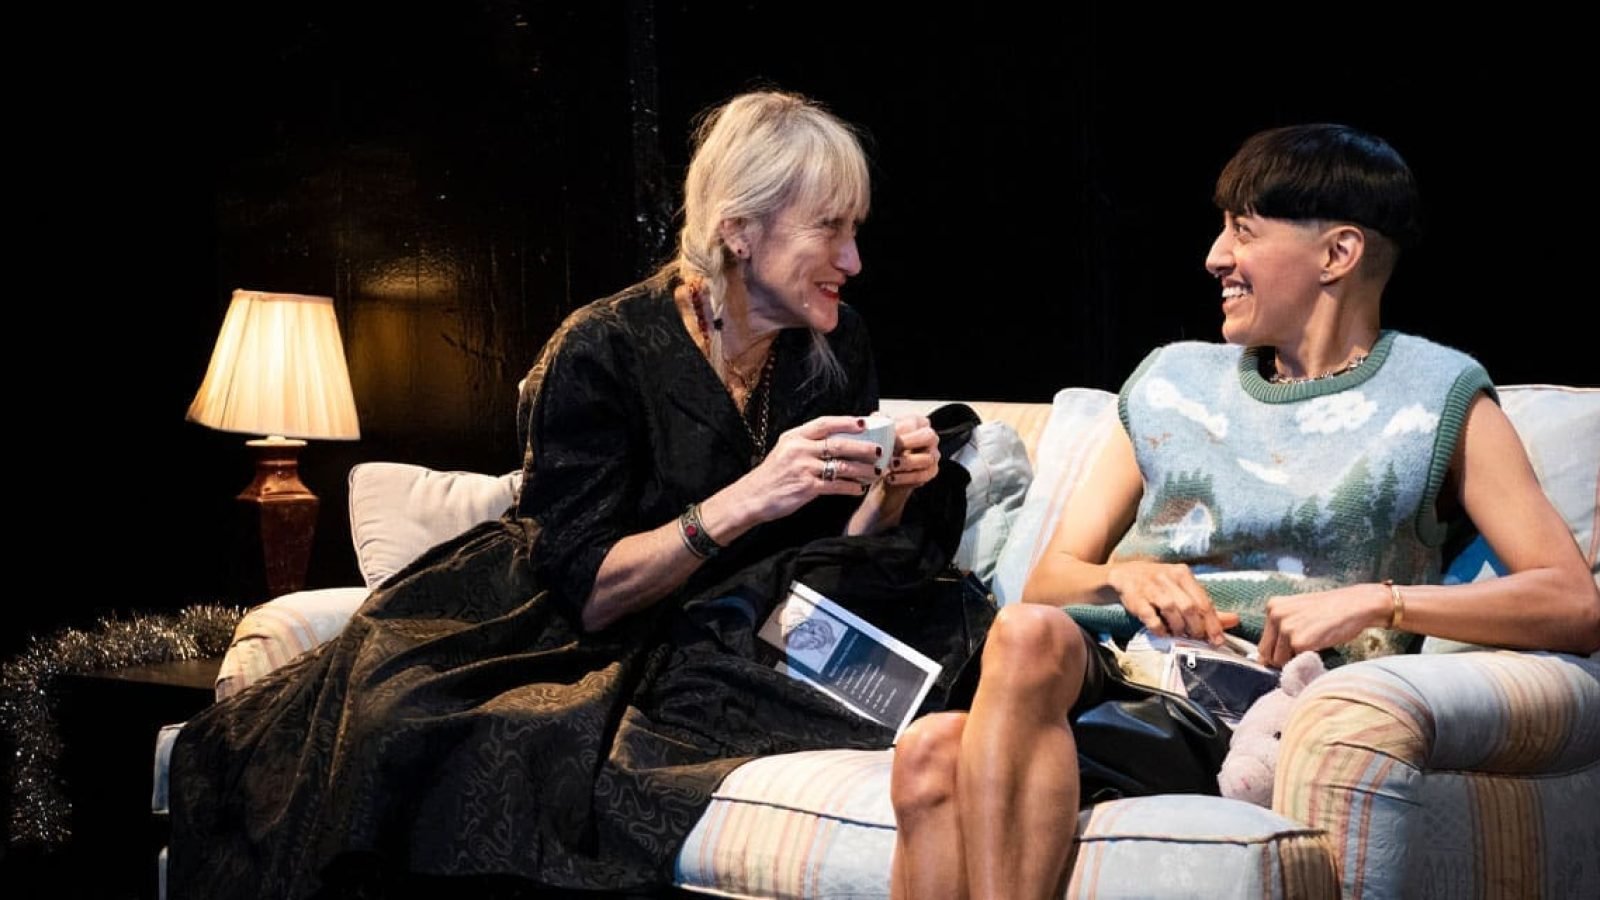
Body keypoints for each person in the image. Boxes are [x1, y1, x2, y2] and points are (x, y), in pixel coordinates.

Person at [169, 90, 953, 898]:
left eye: (855, 229)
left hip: (733, 620)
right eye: (831, 229)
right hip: (557, 617)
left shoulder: (834, 341)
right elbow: (592, 592)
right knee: (431, 733)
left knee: (933, 661)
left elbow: (836, 555)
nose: (853, 261)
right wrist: (751, 496)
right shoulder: (604, 347)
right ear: (739, 231)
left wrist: (890, 488)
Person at [888, 123, 1600, 900]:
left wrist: (1379, 600)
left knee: (936, 755)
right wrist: (1130, 578)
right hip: (1127, 671)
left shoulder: (1440, 394)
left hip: (1264, 703)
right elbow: (1050, 581)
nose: (1215, 257)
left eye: (1243, 231)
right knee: (1022, 635)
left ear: (1338, 254)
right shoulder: (1171, 380)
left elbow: (1571, 602)